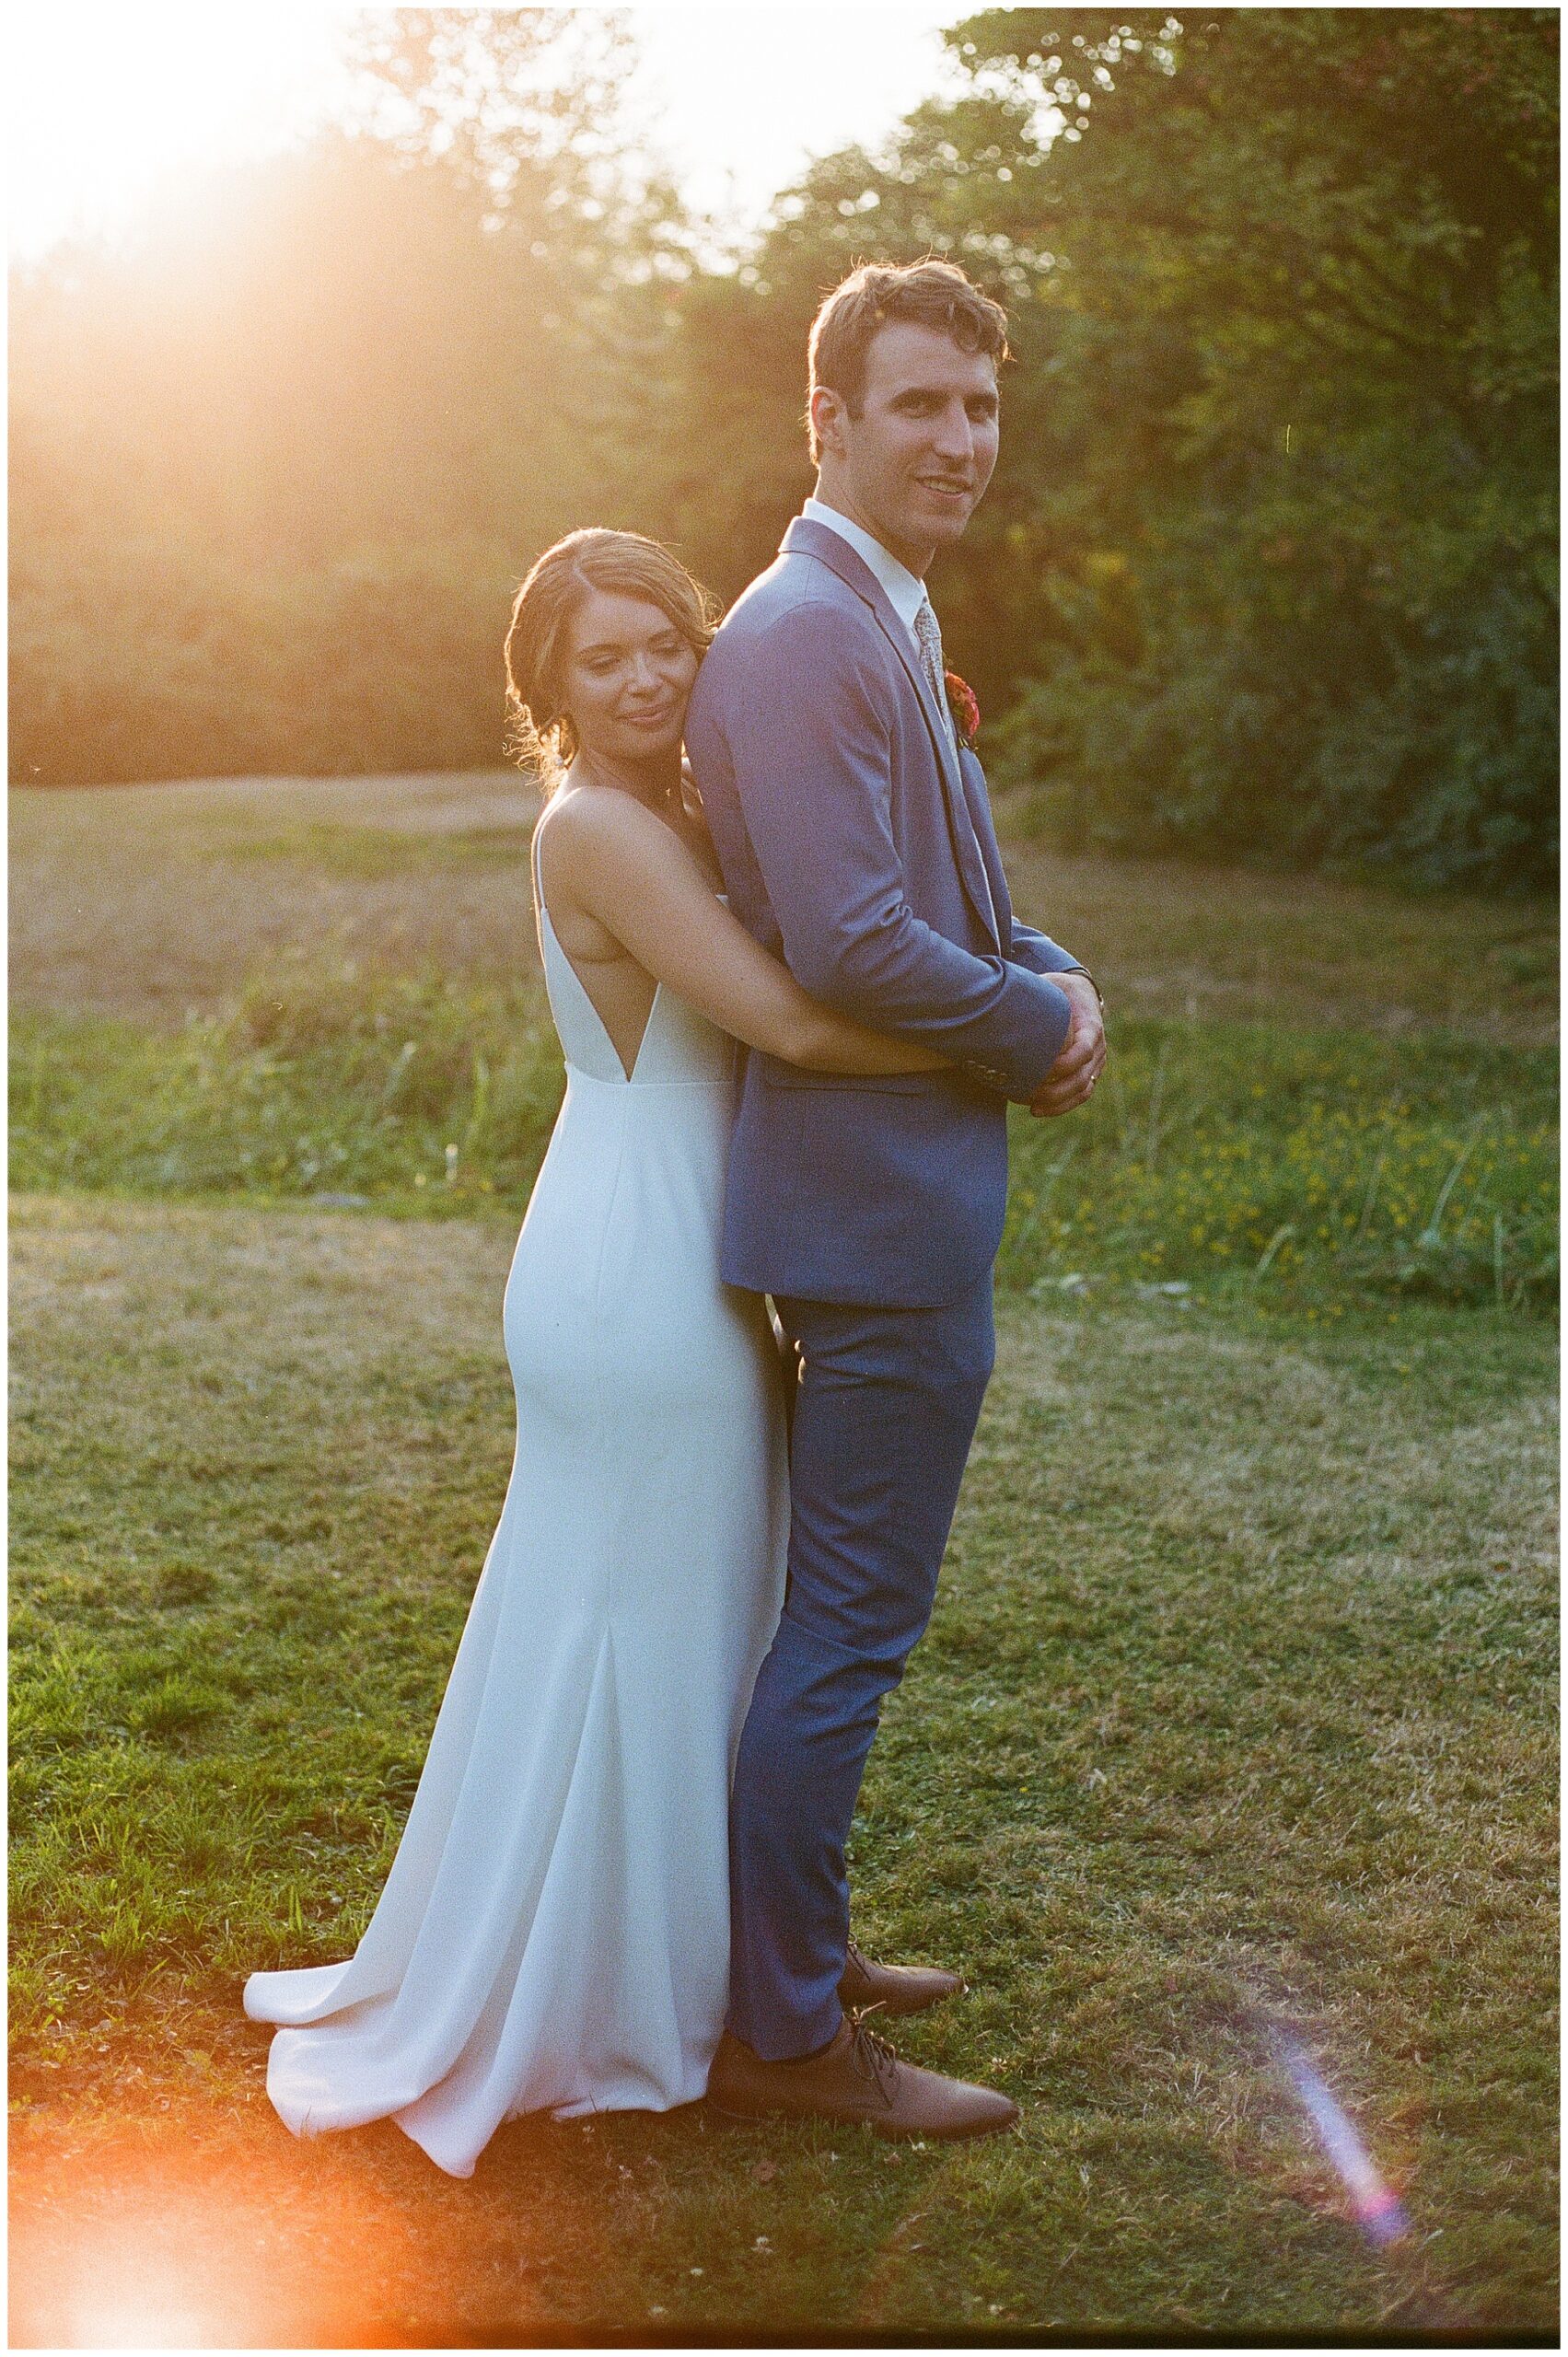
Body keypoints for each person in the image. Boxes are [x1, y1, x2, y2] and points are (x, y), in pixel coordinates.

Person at [242, 527, 1022, 2177]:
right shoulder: (599, 830)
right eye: (607, 660)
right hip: (635, 1260)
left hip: (684, 1242)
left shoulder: (674, 806)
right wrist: (1025, 1040)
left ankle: (764, 1957)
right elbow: (798, 1019)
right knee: (650, 1633)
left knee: (710, 1626)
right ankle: (680, 1991)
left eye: (669, 639)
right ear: (552, 693)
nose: (654, 675)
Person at [686, 259, 1106, 2140]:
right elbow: (853, 935)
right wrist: (1030, 1024)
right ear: (831, 418)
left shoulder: (879, 611)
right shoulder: (798, 630)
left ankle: (800, 1950)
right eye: (921, 402)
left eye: (981, 406)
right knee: (848, 1623)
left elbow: (947, 883)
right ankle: (782, 2040)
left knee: (830, 1618)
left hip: (894, 1197)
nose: (959, 437)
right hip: (864, 1213)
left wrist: (1052, 976)